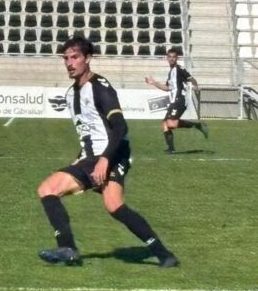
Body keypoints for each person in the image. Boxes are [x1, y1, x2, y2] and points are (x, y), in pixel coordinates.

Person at [36, 35, 178, 268]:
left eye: (75, 57)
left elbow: (120, 126)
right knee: (109, 204)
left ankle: (68, 247)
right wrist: (81, 157)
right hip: (92, 157)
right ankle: (164, 254)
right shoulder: (71, 94)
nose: (70, 63)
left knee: (55, 191)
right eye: (66, 58)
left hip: (111, 154)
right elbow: (88, 132)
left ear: (88, 58)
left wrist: (104, 160)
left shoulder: (100, 88)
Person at [144, 48, 208, 154]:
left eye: (174, 57)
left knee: (171, 124)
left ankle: (197, 125)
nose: (172, 59)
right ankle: (171, 149)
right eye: (170, 57)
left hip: (180, 100)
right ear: (167, 58)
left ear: (176, 58)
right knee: (164, 124)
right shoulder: (171, 73)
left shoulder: (179, 69)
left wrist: (196, 86)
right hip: (174, 101)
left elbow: (191, 78)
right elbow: (167, 88)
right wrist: (154, 83)